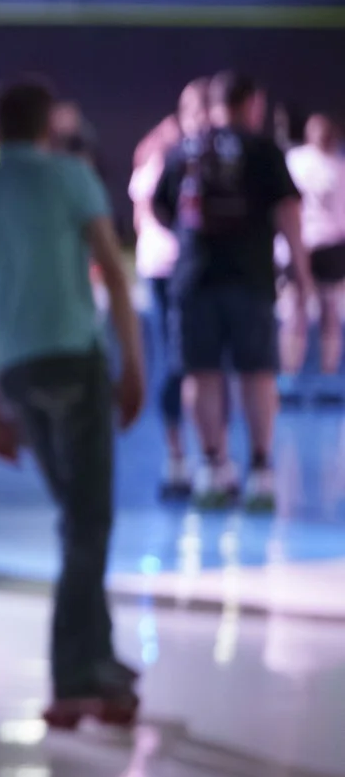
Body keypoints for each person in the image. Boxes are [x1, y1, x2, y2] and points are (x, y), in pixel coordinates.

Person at [0, 76, 146, 728]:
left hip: (19, 373)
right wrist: (134, 364)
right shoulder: (72, 177)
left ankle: (100, 655)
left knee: (79, 516)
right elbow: (114, 273)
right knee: (88, 520)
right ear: (48, 123)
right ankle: (74, 676)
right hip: (75, 362)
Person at [151, 71, 309, 511]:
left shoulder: (183, 151)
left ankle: (211, 468)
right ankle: (260, 470)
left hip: (195, 279)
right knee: (257, 374)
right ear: (252, 104)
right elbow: (289, 214)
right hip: (252, 279)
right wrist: (301, 273)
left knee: (201, 374)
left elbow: (162, 211)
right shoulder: (263, 151)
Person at [128, 81, 208, 497]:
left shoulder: (209, 156)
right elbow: (148, 213)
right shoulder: (164, 155)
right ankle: (177, 456)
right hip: (166, 267)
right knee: (175, 360)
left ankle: (209, 456)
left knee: (203, 364)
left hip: (200, 267)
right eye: (197, 111)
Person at [282, 111, 345, 401]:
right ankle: (290, 377)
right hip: (301, 245)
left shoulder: (339, 166)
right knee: (295, 307)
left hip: (330, 246)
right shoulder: (295, 161)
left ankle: (329, 378)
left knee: (330, 307)